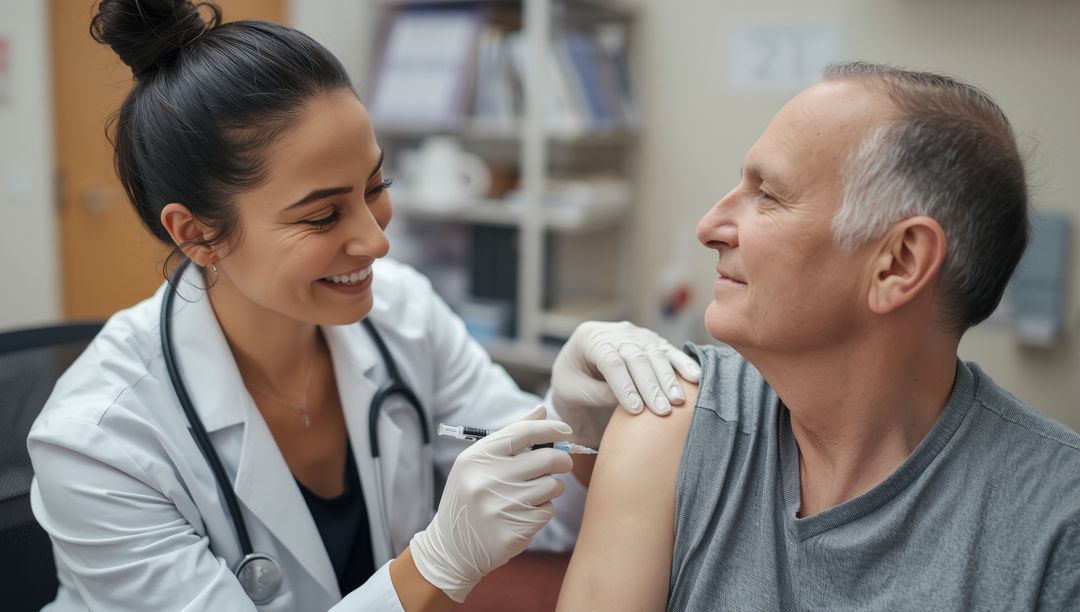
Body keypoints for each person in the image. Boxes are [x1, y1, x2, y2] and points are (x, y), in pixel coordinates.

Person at [26, 1, 702, 610]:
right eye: (322, 216)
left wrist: (577, 423)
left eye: (375, 185)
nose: (377, 238)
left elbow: (543, 515)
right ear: (196, 233)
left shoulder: (401, 313)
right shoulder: (100, 446)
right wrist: (436, 561)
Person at [555, 63, 1080, 611]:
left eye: (768, 195)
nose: (709, 226)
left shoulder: (1057, 523)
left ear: (898, 263)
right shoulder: (672, 417)